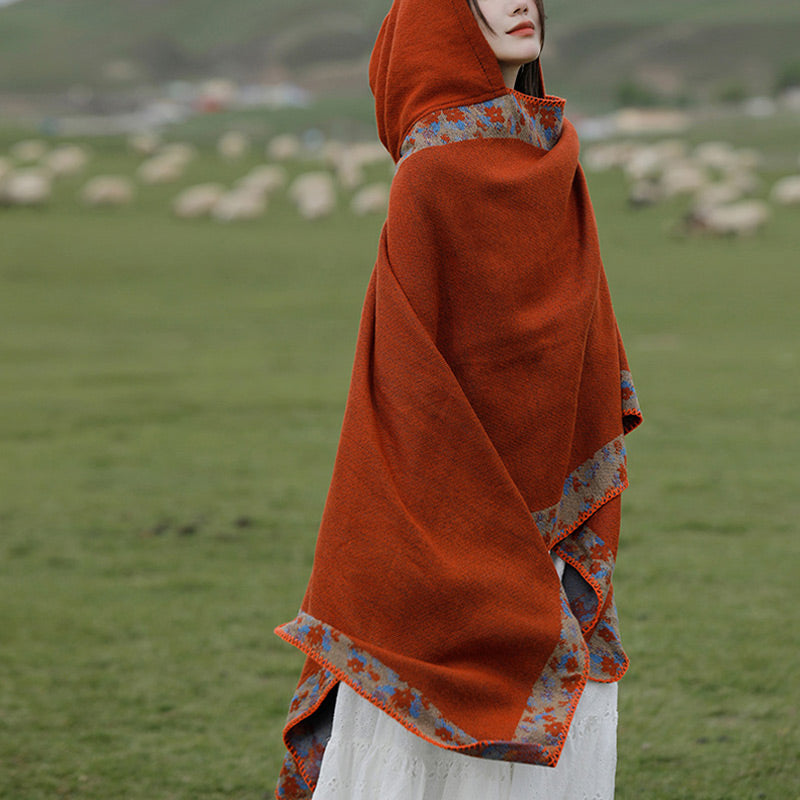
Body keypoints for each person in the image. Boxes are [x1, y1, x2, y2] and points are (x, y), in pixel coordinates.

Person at [273, 0, 643, 798]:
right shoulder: (435, 177)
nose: (518, 1)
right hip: (445, 514)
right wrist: (471, 536)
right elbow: (410, 388)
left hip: (550, 520)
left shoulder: (556, 163)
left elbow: (583, 357)